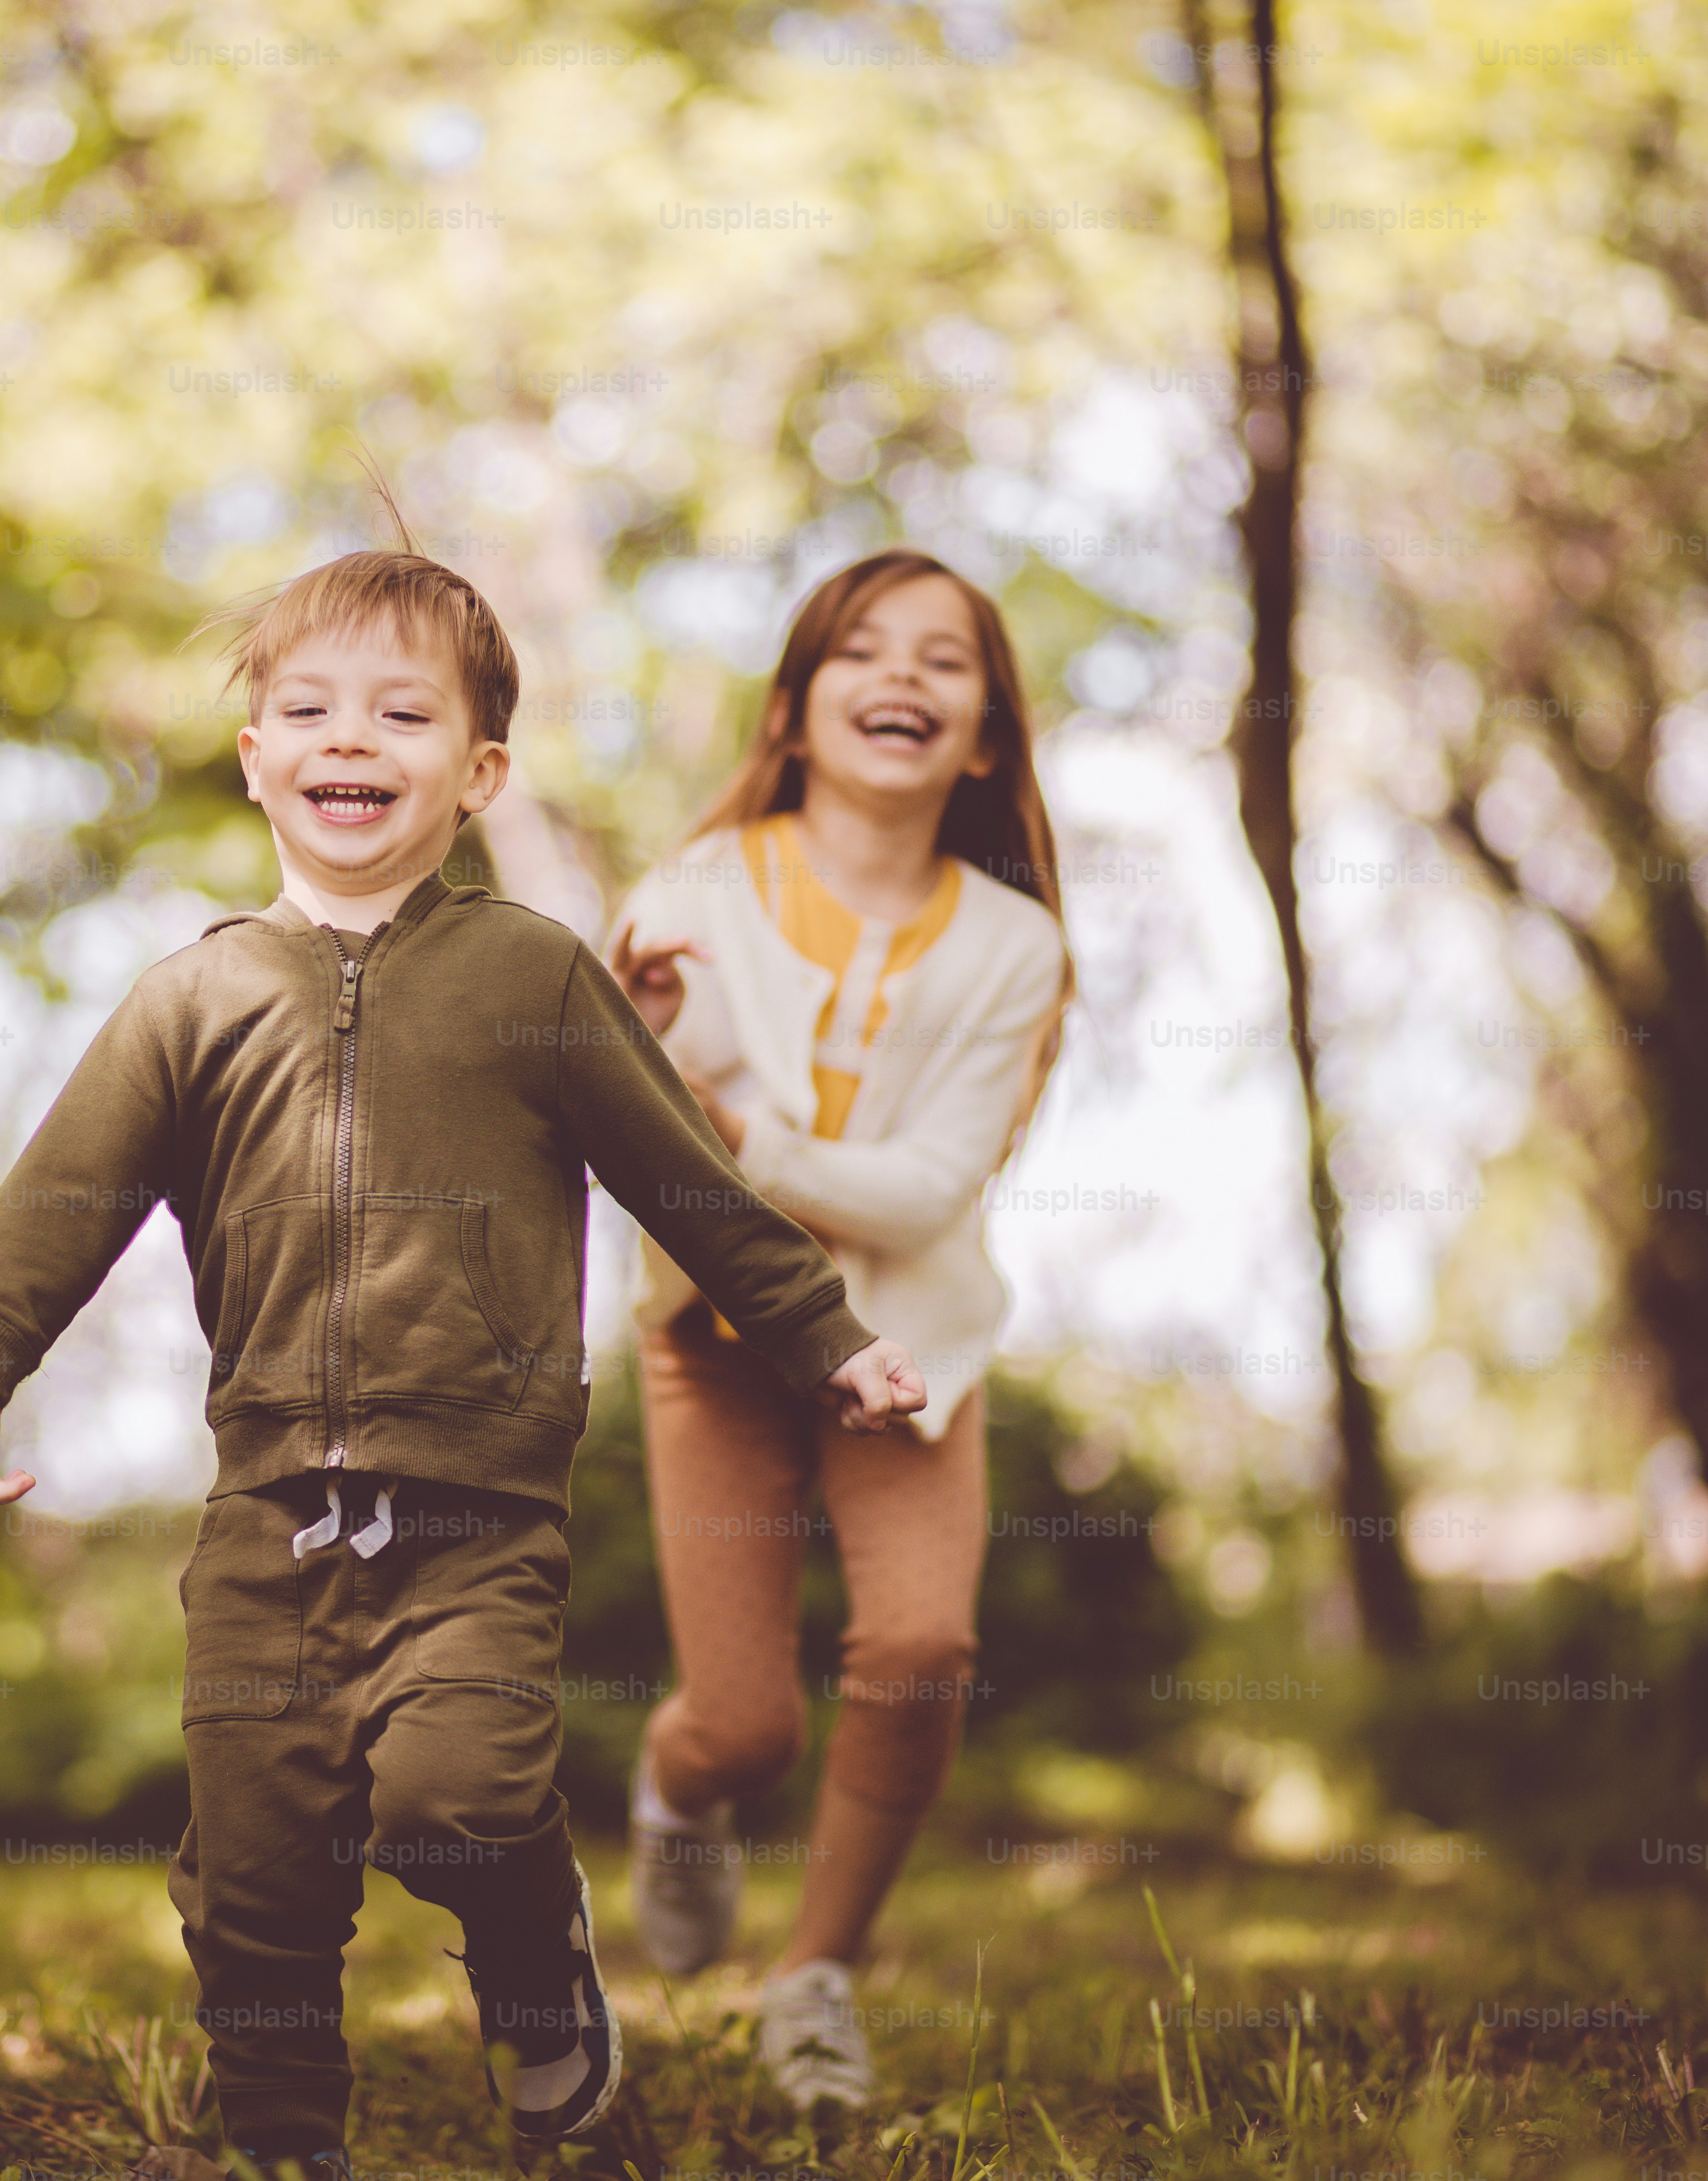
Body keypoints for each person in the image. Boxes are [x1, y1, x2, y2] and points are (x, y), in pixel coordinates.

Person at [0, 540, 928, 2181]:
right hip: (264, 1536)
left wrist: (824, 1339)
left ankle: (548, 2007)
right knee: (255, 1890)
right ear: (255, 758)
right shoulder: (195, 999)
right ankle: (288, 2151)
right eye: (307, 709)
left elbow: (688, 1178)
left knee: (456, 1800)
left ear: (480, 770)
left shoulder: (531, 979)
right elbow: (67, 1190)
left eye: (401, 713)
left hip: (477, 1522)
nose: (350, 743)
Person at [604, 546, 1071, 2121]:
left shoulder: (1016, 949)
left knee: (925, 1645)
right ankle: (678, 1792)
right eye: (864, 652)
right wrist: (646, 1051)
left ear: (987, 739)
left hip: (913, 1348)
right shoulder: (691, 895)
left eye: (947, 664)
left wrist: (747, 1143)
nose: (904, 679)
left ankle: (814, 1976)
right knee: (745, 1725)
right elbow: (644, 1121)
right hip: (723, 1342)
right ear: (797, 711)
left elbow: (931, 1196)